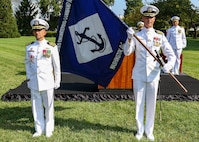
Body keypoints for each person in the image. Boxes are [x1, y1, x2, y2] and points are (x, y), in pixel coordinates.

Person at [124, 5, 176, 141]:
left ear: (154, 19)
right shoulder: (137, 35)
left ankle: (149, 131)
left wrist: (168, 66)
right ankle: (140, 130)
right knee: (139, 103)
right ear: (142, 18)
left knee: (151, 103)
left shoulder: (159, 36)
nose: (148, 20)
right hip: (139, 74)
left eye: (151, 17)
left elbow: (171, 55)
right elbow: (127, 52)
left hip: (154, 74)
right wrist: (129, 39)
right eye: (146, 17)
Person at [25, 18, 61, 138]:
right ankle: (39, 129)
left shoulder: (51, 47)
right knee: (36, 106)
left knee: (49, 106)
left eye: (40, 30)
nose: (37, 33)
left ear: (45, 31)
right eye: (35, 30)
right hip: (35, 82)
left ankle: (49, 129)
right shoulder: (29, 48)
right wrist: (29, 78)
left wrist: (57, 81)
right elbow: (28, 64)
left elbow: (57, 66)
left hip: (48, 82)